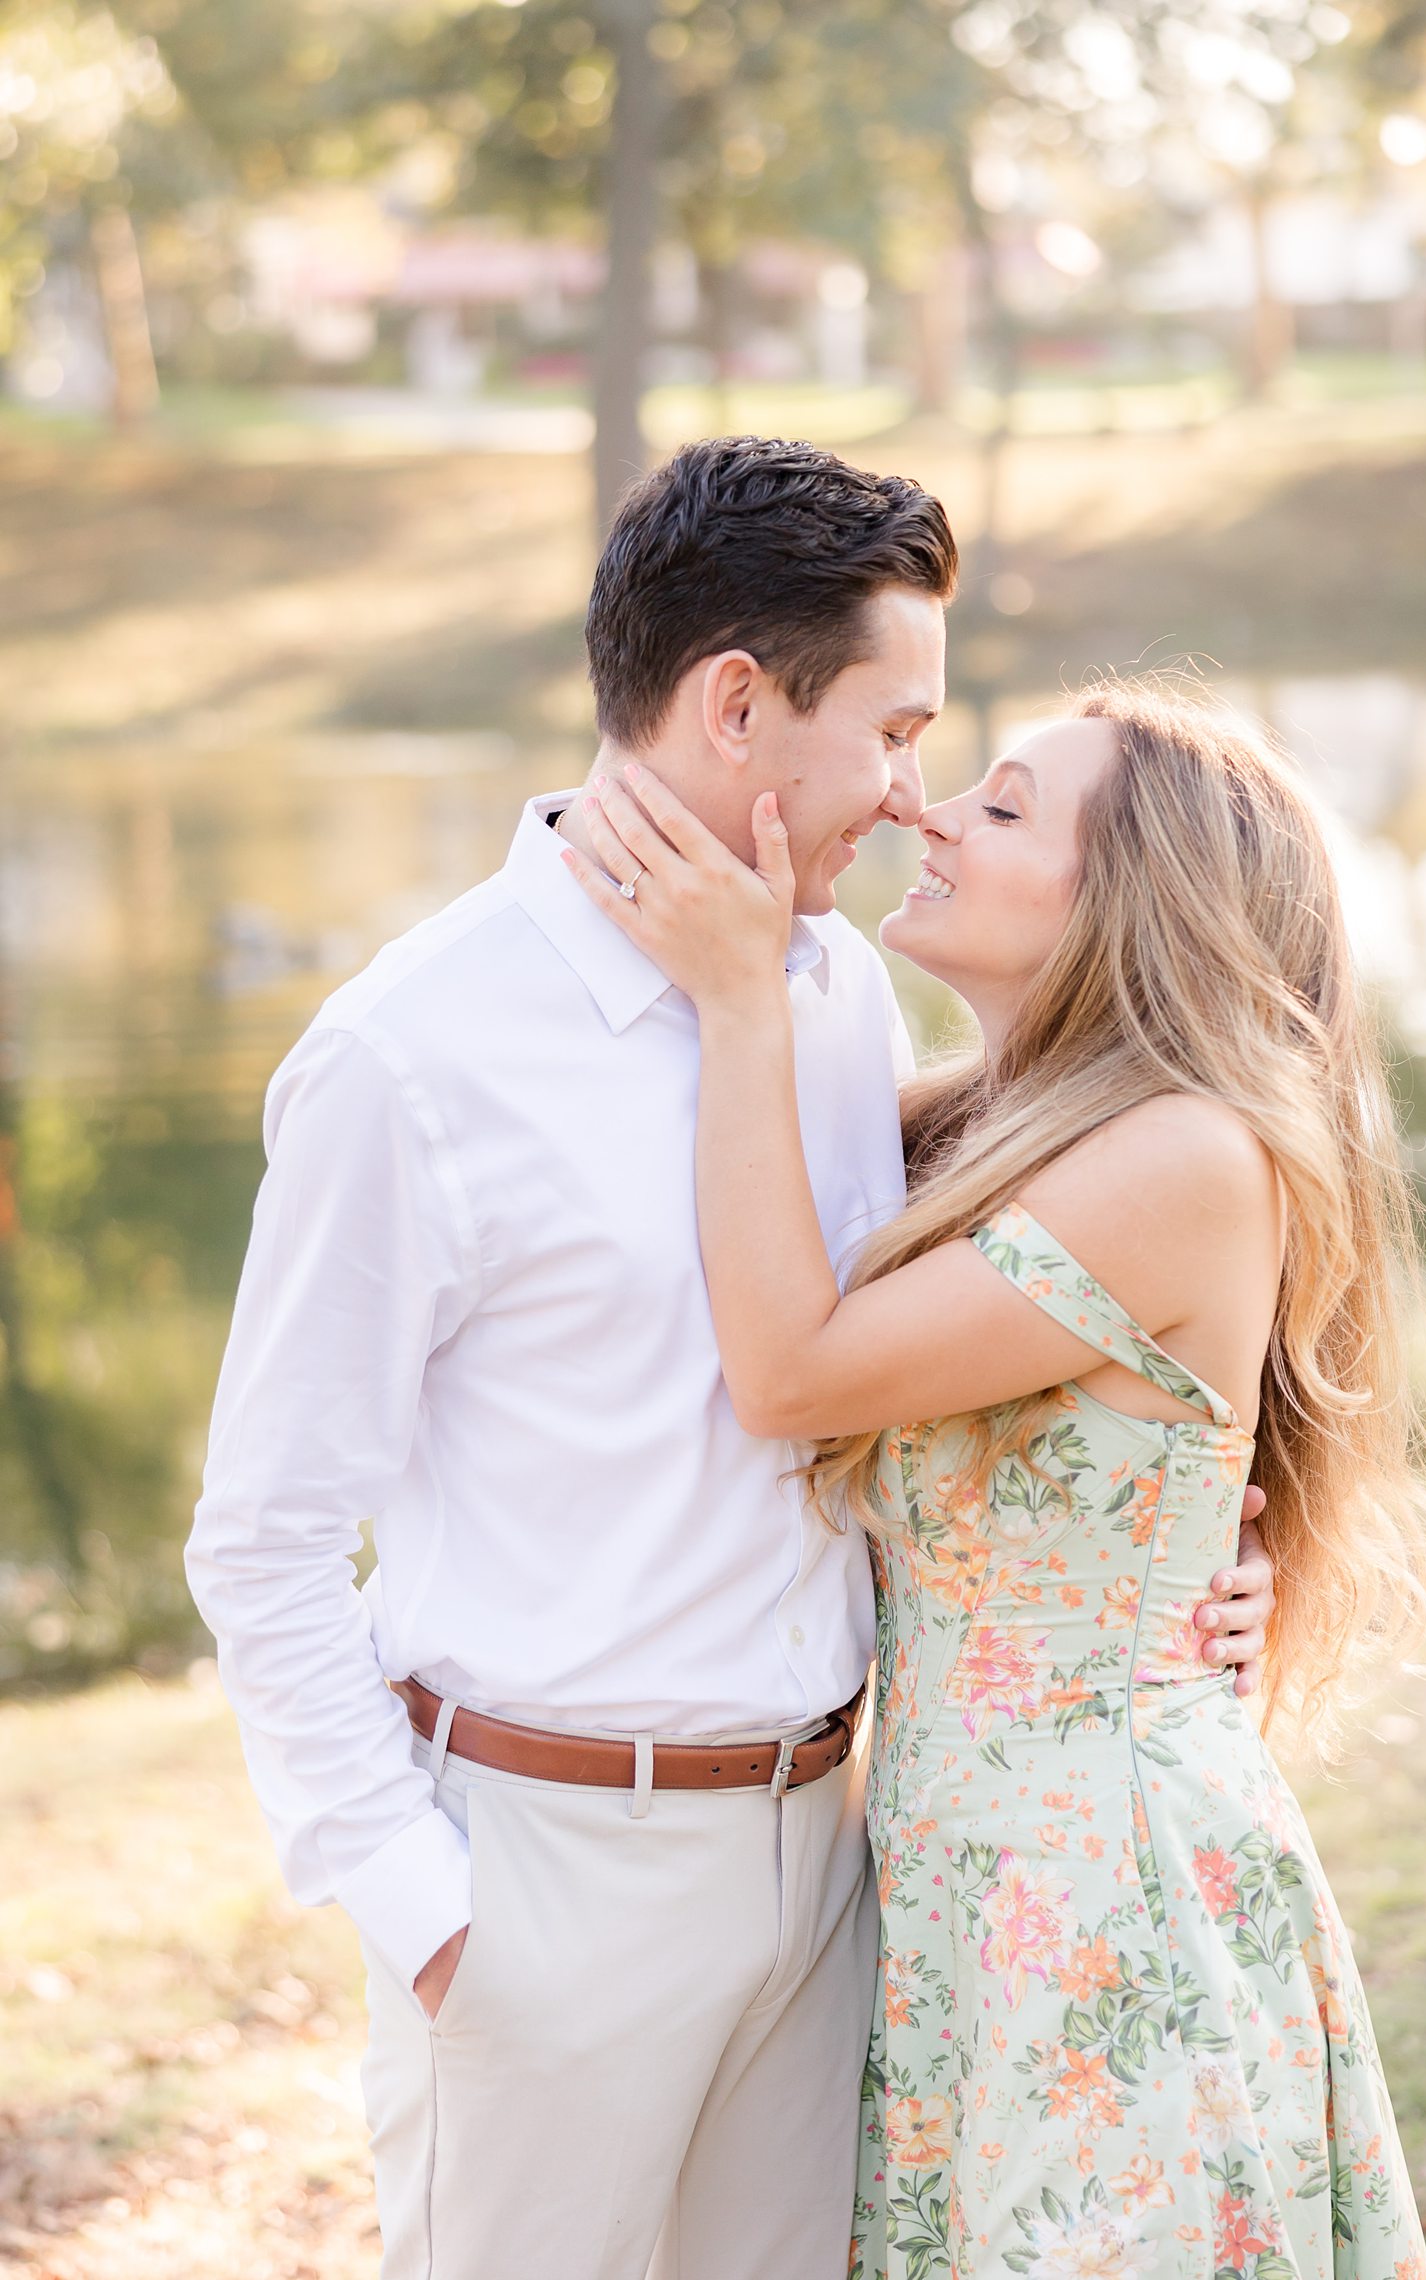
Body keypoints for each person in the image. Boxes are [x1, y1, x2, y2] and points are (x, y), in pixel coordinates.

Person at [185, 439, 1274, 2280]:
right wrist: (426, 1908)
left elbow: (1040, 1320)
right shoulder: (411, 1057)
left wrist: (1187, 1563)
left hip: (838, 1865)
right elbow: (267, 1538)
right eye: (900, 732)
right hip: (547, 1880)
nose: (918, 798)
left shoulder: (834, 992)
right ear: (740, 706)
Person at [566, 678, 1426, 2280]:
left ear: (1131, 902)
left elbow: (791, 1375)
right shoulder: (994, 1136)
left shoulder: (1185, 1156)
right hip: (963, 1880)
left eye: (1000, 807)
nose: (928, 812)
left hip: (1101, 1881)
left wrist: (740, 1000)